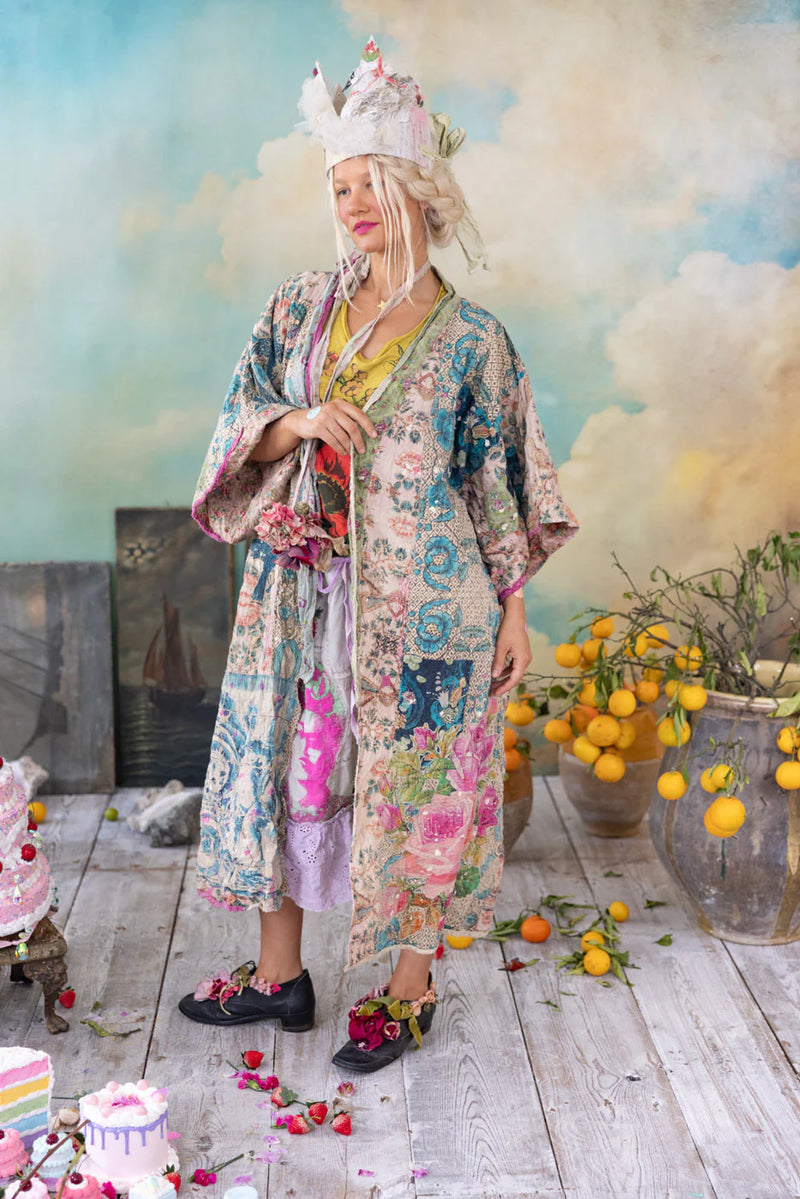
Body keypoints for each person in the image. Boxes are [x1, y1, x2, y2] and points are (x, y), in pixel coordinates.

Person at [179, 39, 578, 1073]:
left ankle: (409, 986)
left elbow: (499, 485)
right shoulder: (298, 308)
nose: (352, 203)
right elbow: (241, 420)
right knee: (290, 769)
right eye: (339, 186)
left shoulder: (474, 339)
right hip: (300, 596)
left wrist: (515, 610)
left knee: (422, 784)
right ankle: (280, 975)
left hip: (429, 610)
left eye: (370, 182)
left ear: (415, 185)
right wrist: (301, 420)